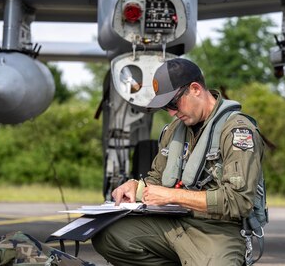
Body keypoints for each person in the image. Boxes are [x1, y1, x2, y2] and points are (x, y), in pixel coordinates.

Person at [92, 58, 265, 266]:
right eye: (167, 107)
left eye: (174, 103)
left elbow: (238, 202)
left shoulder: (237, 132)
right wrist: (136, 188)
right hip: (172, 223)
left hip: (216, 230)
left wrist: (173, 195)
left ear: (195, 89)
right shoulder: (174, 131)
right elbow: (156, 178)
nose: (172, 112)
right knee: (108, 236)